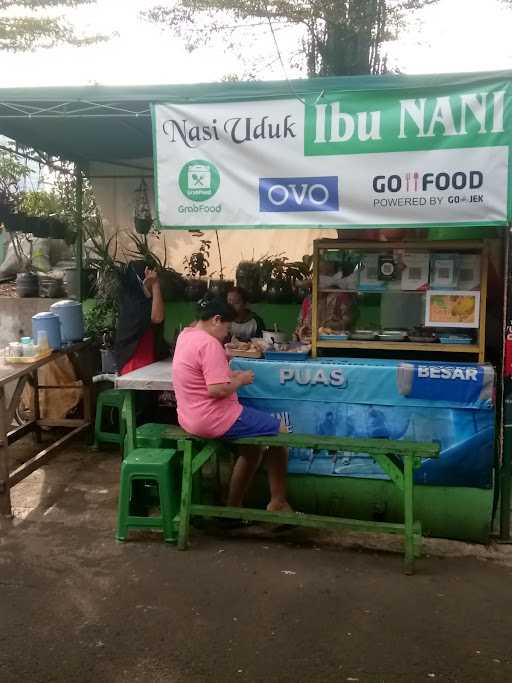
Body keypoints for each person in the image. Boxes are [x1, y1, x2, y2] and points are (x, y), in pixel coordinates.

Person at [172, 297, 291, 512]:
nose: (227, 334)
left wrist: (229, 375)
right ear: (216, 320)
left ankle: (233, 508)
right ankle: (278, 502)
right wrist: (240, 380)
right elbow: (216, 389)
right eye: (227, 327)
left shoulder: (186, 336)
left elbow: (205, 377)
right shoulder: (209, 344)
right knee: (281, 432)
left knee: (251, 450)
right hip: (212, 417)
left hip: (189, 416)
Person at [114, 260, 165, 375]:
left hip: (148, 362)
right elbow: (157, 318)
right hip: (134, 364)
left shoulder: (146, 299)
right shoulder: (132, 300)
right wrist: (155, 284)